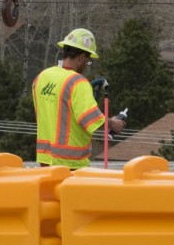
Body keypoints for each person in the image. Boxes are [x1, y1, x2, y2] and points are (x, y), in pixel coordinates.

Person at [31, 28, 124, 168]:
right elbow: (91, 119)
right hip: (71, 162)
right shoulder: (77, 82)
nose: (87, 65)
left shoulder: (41, 77)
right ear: (81, 57)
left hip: (45, 159)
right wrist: (112, 123)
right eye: (88, 61)